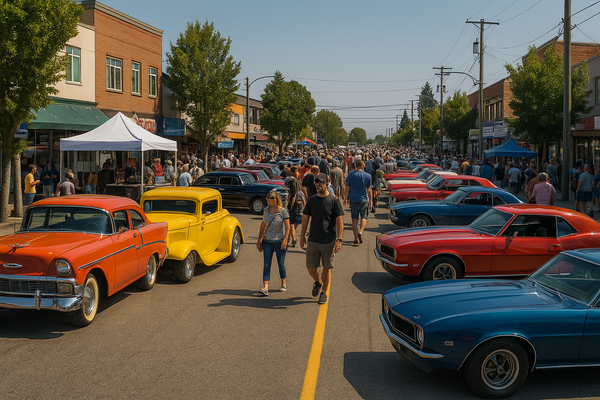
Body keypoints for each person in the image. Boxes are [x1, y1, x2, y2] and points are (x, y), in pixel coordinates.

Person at [300, 173, 344, 305]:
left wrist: (339, 239)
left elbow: (339, 221)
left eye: (321, 182)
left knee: (326, 268)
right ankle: (318, 282)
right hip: (313, 239)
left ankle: (324, 293)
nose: (318, 184)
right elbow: (305, 218)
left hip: (328, 240)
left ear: (327, 183)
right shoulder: (312, 200)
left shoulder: (334, 201)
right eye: (316, 182)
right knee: (310, 267)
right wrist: (302, 236)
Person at [256, 190, 290, 296]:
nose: (268, 199)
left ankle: (283, 283)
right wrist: (259, 239)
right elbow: (263, 225)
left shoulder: (282, 211)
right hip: (267, 241)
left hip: (279, 241)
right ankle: (265, 287)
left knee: (281, 264)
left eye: (271, 198)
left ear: (276, 199)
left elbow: (288, 227)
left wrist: (285, 240)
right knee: (266, 264)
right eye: (267, 198)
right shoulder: (266, 210)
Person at [344, 159, 372, 246]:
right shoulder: (367, 176)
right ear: (363, 166)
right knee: (364, 217)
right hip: (363, 199)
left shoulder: (351, 174)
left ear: (356, 165)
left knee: (354, 219)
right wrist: (371, 202)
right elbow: (369, 190)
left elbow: (347, 187)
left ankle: (355, 237)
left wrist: (345, 198)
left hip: (353, 199)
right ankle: (361, 231)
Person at [287, 177, 305, 247]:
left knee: (291, 224)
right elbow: (304, 199)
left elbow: (293, 198)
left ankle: (294, 239)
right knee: (294, 225)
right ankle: (291, 238)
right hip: (300, 209)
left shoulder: (292, 192)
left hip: (294, 209)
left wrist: (291, 206)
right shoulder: (300, 192)